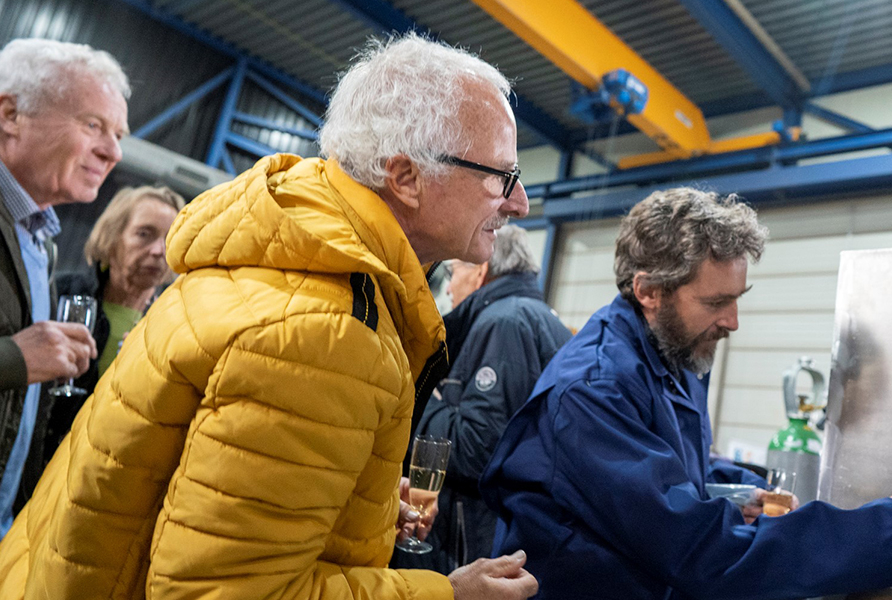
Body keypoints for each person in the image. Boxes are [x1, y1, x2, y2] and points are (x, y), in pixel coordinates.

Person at [0, 33, 538, 600]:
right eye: (500, 176)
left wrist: (367, 499)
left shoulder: (276, 262)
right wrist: (444, 594)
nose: (519, 201)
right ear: (405, 177)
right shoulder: (325, 333)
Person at [480, 187, 892, 599]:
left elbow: (669, 460)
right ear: (648, 290)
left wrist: (739, 486)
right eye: (716, 302)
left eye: (737, 299)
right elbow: (694, 547)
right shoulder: (593, 391)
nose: (732, 322)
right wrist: (883, 532)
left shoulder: (671, 352)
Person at [0, 38, 127, 537]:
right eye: (93, 125)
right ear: (10, 114)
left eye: (119, 133)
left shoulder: (40, 237)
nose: (113, 150)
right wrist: (14, 358)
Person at [409, 225, 572, 572]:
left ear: (481, 270)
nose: (449, 287)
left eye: (452, 273)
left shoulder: (504, 323)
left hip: (477, 537)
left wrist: (421, 399)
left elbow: (477, 448)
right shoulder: (539, 318)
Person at [45, 185, 186, 456]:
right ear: (112, 237)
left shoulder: (173, 326)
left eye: (170, 239)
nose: (159, 250)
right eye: (144, 234)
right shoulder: (59, 293)